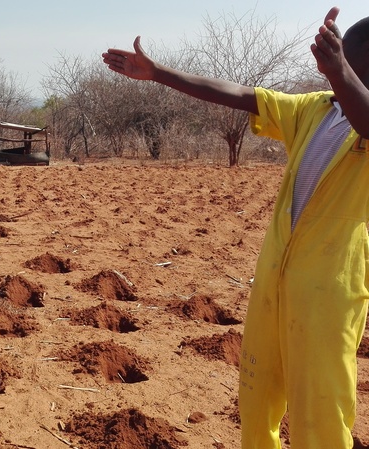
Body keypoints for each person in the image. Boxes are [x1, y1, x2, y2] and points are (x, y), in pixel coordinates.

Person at [103, 7, 369, 448]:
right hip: (275, 277)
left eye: (347, 57)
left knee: (321, 407)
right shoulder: (314, 109)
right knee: (257, 395)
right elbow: (241, 94)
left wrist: (340, 70)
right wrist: (158, 73)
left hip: (329, 289)